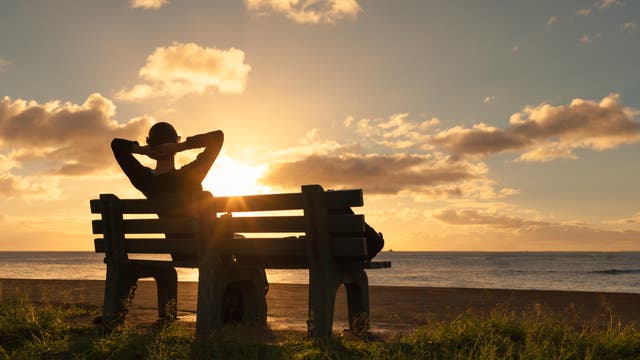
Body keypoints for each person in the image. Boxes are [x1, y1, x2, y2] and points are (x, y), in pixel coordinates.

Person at [111, 122, 257, 322]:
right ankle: (240, 309)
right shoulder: (190, 176)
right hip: (208, 249)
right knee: (240, 242)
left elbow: (116, 145)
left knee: (236, 240)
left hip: (179, 252)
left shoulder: (145, 181)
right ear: (174, 144)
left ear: (150, 144)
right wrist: (183, 146)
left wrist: (142, 150)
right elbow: (217, 137)